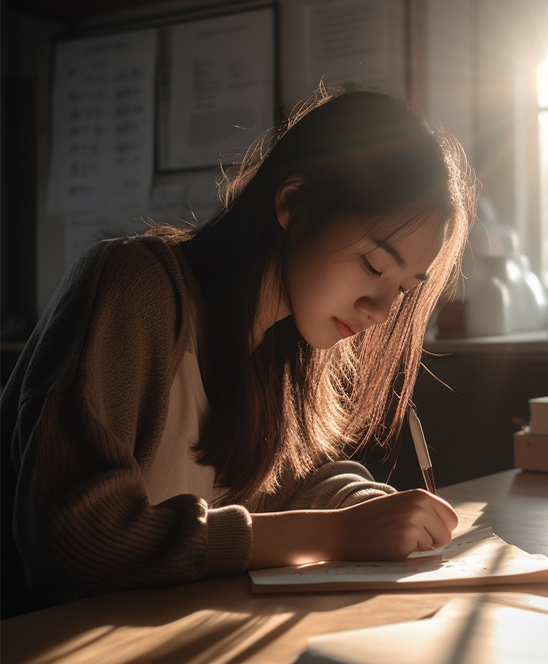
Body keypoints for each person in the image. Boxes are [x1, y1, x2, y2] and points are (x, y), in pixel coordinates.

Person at [2, 89, 474, 616]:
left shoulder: (283, 342)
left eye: (405, 289)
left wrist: (364, 509)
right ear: (292, 204)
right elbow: (78, 536)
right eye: (373, 265)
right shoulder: (134, 287)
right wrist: (334, 533)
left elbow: (285, 489)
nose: (380, 309)